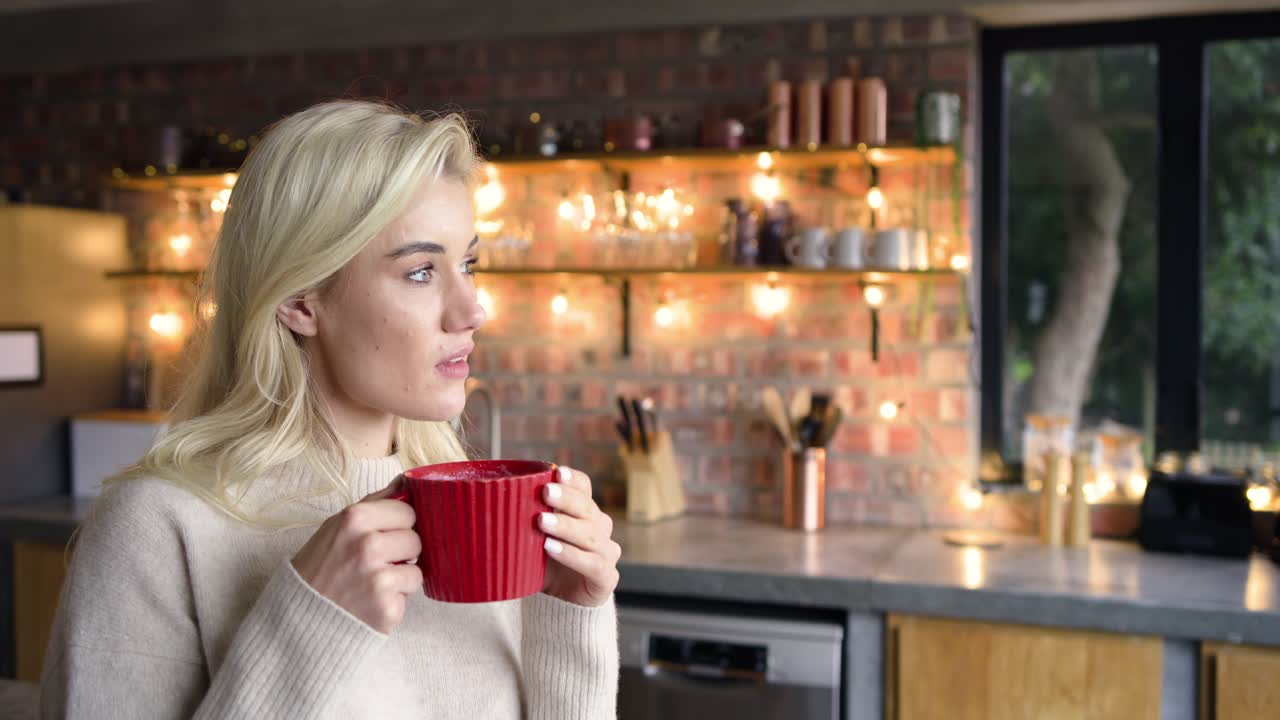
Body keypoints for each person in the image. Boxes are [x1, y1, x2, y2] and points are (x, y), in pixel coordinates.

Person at [40, 100, 621, 719]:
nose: (471, 309)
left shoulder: (473, 518)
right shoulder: (156, 528)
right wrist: (307, 626)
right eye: (422, 271)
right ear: (300, 300)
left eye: (468, 263)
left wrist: (572, 620)